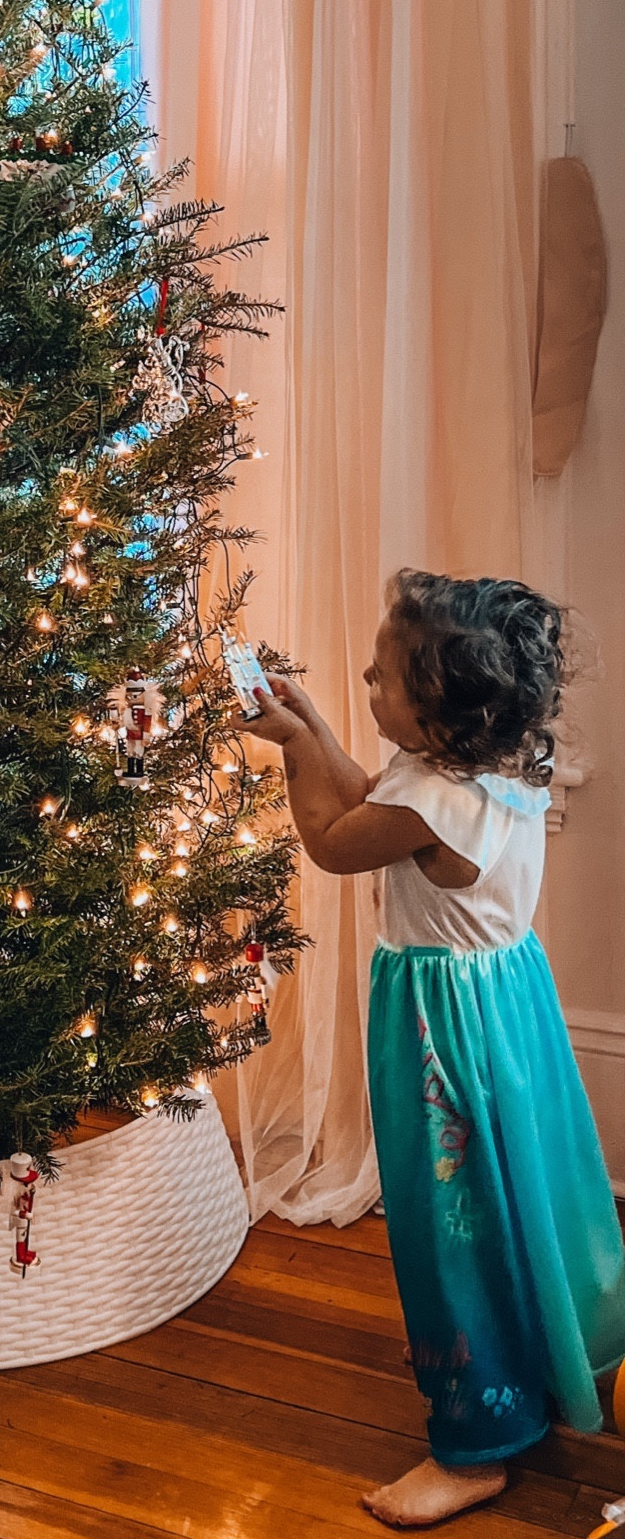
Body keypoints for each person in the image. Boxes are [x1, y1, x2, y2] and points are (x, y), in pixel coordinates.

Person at [236, 571, 625, 1528]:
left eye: (382, 678)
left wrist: (292, 751)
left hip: (442, 1026)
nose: (367, 679)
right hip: (506, 1004)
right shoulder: (484, 767)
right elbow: (376, 792)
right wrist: (322, 725)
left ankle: (477, 1442)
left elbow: (333, 836)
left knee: (447, 1220)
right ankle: (546, 1354)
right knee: (511, 1195)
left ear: (445, 703)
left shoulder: (434, 804)